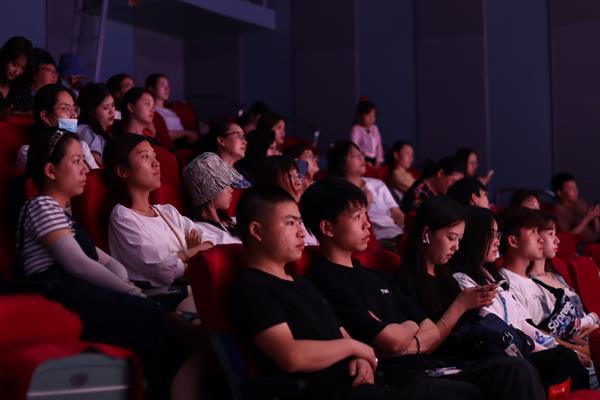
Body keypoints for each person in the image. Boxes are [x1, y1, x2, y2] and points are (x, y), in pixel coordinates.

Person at [300, 178, 546, 400]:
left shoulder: (376, 277)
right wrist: (408, 330)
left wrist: (405, 333)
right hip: (399, 378)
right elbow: (392, 340)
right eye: (357, 217)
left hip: (430, 366)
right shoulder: (326, 280)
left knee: (515, 369)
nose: (368, 224)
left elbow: (426, 329)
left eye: (367, 214)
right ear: (327, 228)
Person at [16, 128, 191, 398]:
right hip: (60, 295)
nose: (86, 168)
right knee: (154, 319)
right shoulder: (41, 206)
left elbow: (107, 262)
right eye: (76, 161)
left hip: (81, 290)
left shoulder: (64, 216)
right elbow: (78, 264)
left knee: (165, 320)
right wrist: (131, 291)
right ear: (51, 170)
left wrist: (124, 282)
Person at [230, 186, 414, 400]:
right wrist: (354, 347)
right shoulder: (252, 288)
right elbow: (291, 356)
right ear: (256, 231)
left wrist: (360, 359)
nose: (301, 232)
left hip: (358, 387)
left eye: (300, 222)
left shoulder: (303, 284)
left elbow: (341, 335)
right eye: (290, 223)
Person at [393, 198, 590, 391]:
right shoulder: (413, 279)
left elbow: (517, 326)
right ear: (427, 234)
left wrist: (563, 347)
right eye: (451, 238)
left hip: (484, 351)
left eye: (459, 239)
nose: (456, 246)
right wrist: (461, 305)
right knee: (518, 368)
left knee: (562, 358)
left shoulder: (450, 278)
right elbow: (431, 341)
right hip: (449, 361)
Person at [105, 133, 215, 292]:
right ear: (122, 171)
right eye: (145, 156)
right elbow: (165, 270)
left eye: (154, 156)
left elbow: (210, 242)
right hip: (165, 296)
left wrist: (181, 256)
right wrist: (193, 253)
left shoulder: (167, 211)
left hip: (193, 285)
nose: (156, 163)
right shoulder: (123, 217)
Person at [328, 141, 404, 245]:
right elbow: (350, 225)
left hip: (397, 234)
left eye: (361, 154)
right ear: (341, 164)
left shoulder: (377, 184)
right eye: (354, 155)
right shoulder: (340, 192)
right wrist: (366, 201)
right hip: (376, 240)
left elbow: (397, 213)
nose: (362, 158)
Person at [17, 83, 98, 170]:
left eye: (74, 109)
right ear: (45, 116)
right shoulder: (28, 152)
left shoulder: (82, 146)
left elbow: (95, 175)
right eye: (65, 108)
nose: (74, 115)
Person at [254, 155, 318, 246]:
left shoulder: (307, 215)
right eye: (291, 176)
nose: (298, 182)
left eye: (298, 175)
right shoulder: (263, 217)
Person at [182, 152, 242, 245]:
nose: (231, 190)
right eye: (226, 185)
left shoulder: (232, 221)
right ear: (209, 190)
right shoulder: (199, 231)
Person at [145, 73, 198, 144]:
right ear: (151, 89)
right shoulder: (151, 111)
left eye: (168, 86)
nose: (167, 89)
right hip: (173, 143)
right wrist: (186, 133)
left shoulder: (171, 109)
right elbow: (160, 135)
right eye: (162, 85)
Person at [195, 121, 250, 188]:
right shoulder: (207, 172)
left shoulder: (243, 172)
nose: (245, 142)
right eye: (239, 136)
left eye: (244, 137)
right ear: (221, 140)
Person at [551, 173, 600, 243]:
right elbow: (568, 237)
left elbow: (596, 231)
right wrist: (587, 218)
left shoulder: (580, 202)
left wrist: (595, 216)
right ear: (560, 193)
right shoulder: (558, 210)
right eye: (571, 189)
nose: (575, 191)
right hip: (584, 245)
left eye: (575, 187)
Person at [76, 83, 115, 166]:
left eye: (113, 105)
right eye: (105, 108)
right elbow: (96, 166)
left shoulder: (109, 130)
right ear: (91, 110)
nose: (112, 111)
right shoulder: (87, 132)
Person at [0, 36, 32, 116]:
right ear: (5, 59)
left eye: (22, 68)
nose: (17, 72)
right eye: (14, 64)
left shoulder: (20, 87)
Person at [350, 98, 383, 167]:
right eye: (368, 115)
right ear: (360, 115)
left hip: (374, 159)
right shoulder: (356, 129)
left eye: (373, 115)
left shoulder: (375, 128)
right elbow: (354, 146)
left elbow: (378, 146)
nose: (371, 118)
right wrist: (362, 160)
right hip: (363, 158)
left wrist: (378, 160)